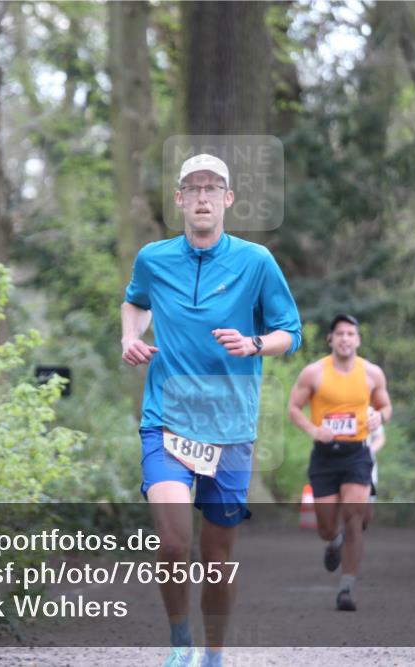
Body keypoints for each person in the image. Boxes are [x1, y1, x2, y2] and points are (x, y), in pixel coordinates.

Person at [121, 153, 302, 667]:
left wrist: (254, 343)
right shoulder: (153, 259)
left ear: (227, 200)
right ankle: (180, 645)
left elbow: (291, 332)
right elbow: (135, 301)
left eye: (212, 188)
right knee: (174, 542)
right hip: (166, 421)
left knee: (218, 558)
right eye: (192, 188)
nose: (202, 197)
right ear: (179, 199)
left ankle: (214, 655)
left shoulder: (256, 261)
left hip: (230, 428)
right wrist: (130, 336)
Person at [287, 314, 392, 611]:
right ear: (330, 339)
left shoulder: (372, 374)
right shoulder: (314, 373)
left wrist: (378, 416)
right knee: (326, 527)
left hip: (357, 453)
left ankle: (347, 588)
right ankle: (333, 542)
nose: (345, 339)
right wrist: (313, 430)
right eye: (340, 334)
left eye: (350, 334)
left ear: (358, 340)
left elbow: (386, 407)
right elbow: (294, 409)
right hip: (325, 455)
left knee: (354, 517)